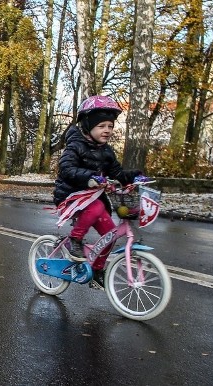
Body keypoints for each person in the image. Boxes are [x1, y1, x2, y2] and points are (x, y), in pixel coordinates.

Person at [53, 95, 143, 288]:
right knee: (96, 207)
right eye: (102, 126)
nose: (107, 130)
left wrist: (133, 176)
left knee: (110, 235)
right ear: (88, 126)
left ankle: (97, 270)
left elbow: (117, 173)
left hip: (93, 197)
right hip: (70, 196)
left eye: (110, 126)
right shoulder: (75, 145)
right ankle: (73, 240)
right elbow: (66, 169)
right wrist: (89, 177)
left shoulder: (106, 151)